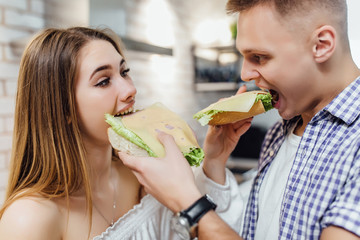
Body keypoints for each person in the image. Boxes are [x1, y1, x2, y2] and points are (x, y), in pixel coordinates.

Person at [118, 0, 360, 239]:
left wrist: (189, 204)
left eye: (260, 57)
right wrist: (215, 162)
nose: (245, 74)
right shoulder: (279, 133)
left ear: (322, 45)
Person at [0, 27, 245, 239]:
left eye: (124, 72)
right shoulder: (29, 219)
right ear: (62, 108)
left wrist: (213, 161)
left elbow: (202, 231)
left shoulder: (143, 173)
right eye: (103, 81)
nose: (131, 89)